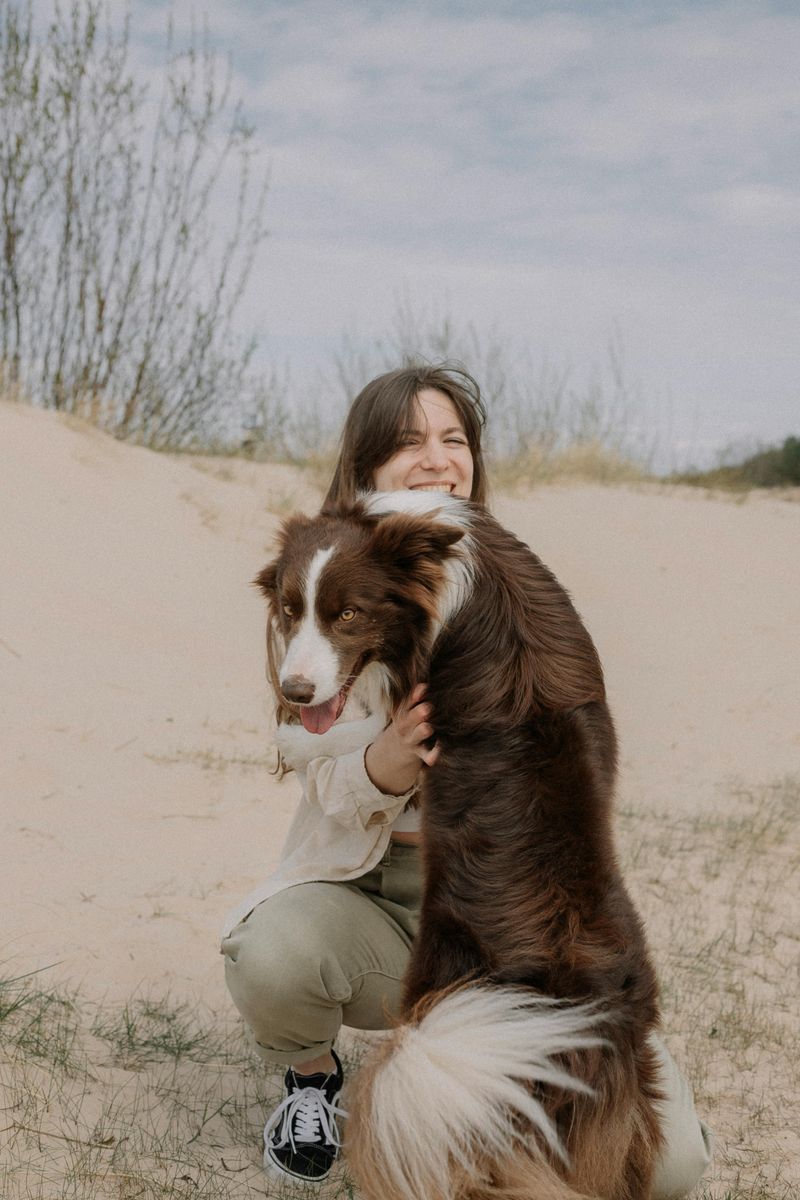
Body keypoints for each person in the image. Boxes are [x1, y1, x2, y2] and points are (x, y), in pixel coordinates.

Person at [221, 363, 712, 1192]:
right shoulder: (327, 581)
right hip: (381, 898)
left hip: (513, 908)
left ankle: (505, 1082)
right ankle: (314, 1088)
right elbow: (308, 767)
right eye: (410, 442)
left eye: (455, 440)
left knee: (670, 1172)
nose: (439, 458)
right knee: (273, 955)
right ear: (367, 467)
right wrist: (384, 765)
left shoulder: (496, 592)